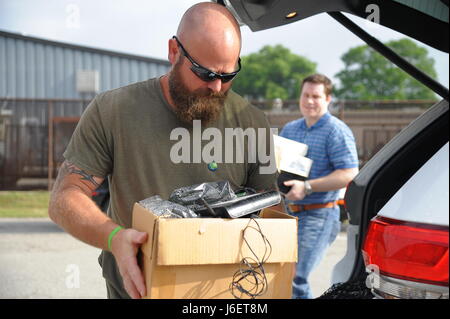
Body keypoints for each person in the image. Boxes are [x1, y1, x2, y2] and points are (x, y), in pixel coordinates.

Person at [48, 2, 277, 299]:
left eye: (228, 75)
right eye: (206, 74)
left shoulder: (253, 122)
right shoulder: (115, 110)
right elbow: (65, 197)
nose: (218, 87)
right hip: (138, 289)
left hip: (224, 292)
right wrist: (114, 237)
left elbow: (271, 212)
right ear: (174, 51)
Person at [279, 74, 358, 299]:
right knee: (281, 276)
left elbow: (349, 174)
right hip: (288, 214)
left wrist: (307, 187)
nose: (310, 101)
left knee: (296, 278)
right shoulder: (290, 129)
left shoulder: (336, 130)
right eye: (306, 95)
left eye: (316, 96)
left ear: (328, 99)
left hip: (319, 215)